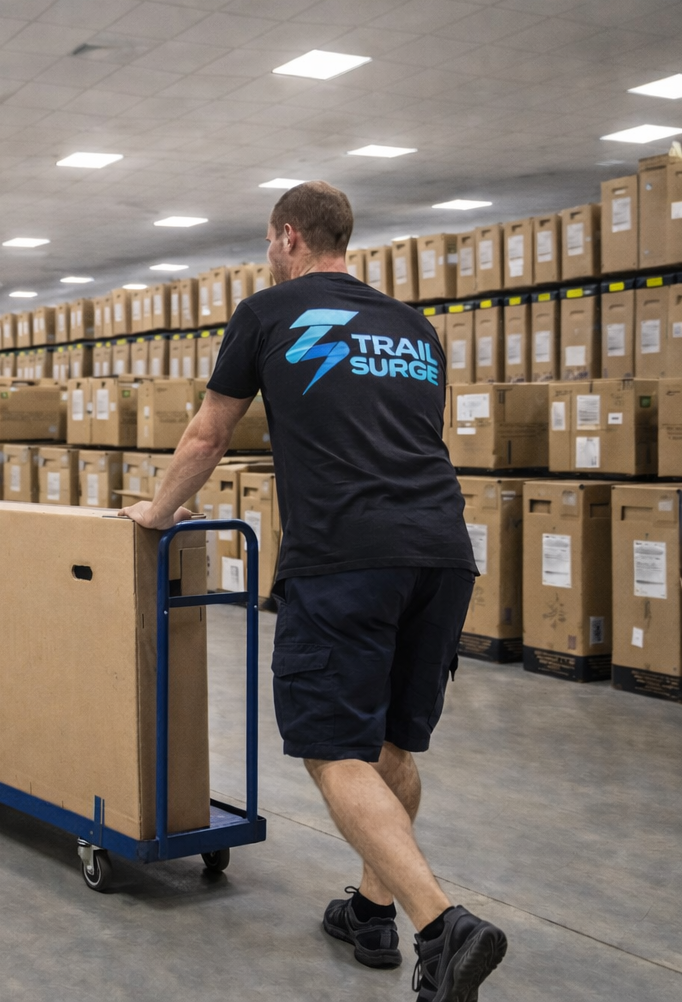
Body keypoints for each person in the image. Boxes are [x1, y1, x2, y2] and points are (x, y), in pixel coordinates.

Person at [120, 182, 505, 1002]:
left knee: (334, 752)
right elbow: (410, 440)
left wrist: (157, 514)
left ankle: (443, 928)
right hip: (442, 551)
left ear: (289, 237)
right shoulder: (415, 327)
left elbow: (208, 433)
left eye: (269, 241)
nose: (269, 253)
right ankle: (371, 912)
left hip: (345, 556)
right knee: (392, 747)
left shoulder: (268, 312)